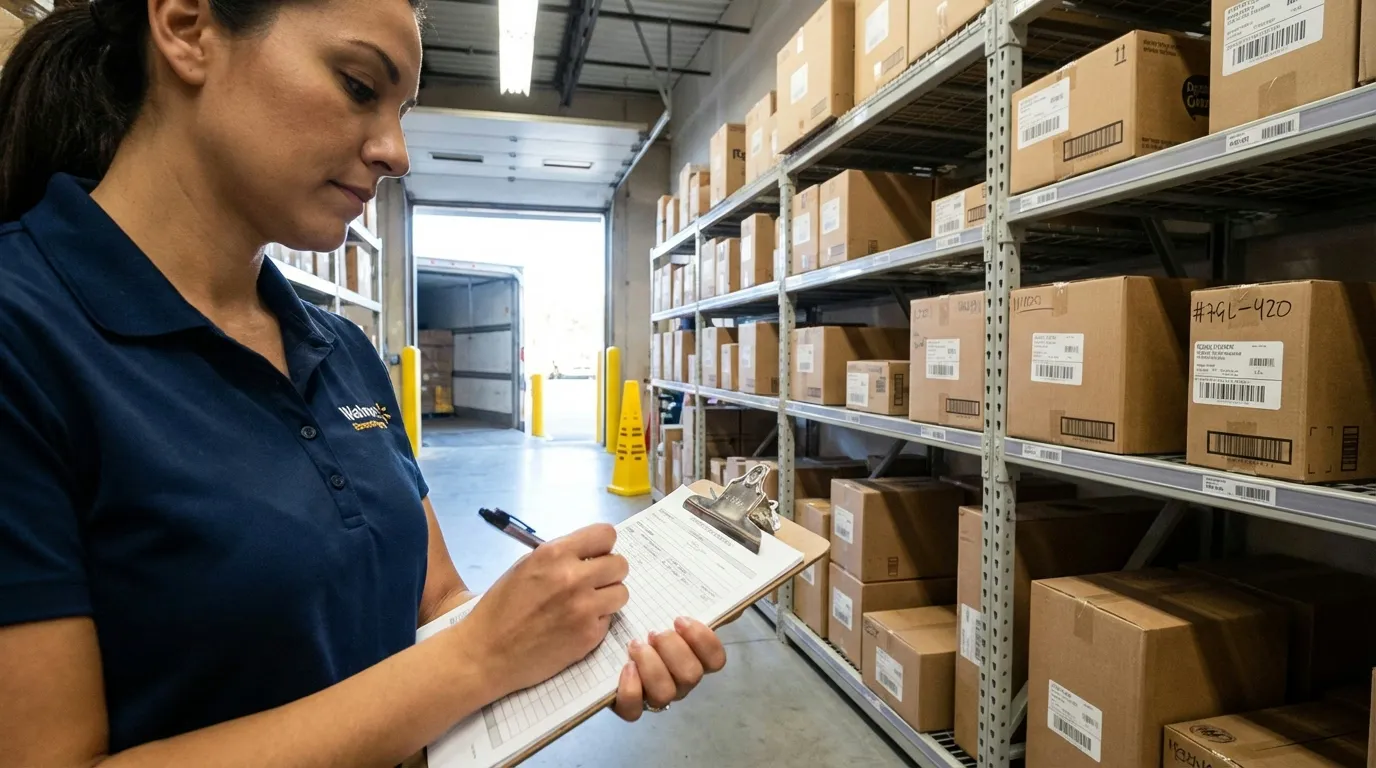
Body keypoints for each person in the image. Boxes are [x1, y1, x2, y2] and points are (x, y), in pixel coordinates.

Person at [0, 1, 728, 765]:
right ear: (187, 29)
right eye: (358, 86)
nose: (396, 151)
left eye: (403, 110)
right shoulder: (27, 336)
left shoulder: (340, 349)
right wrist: (478, 658)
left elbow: (437, 602)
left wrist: (562, 645)